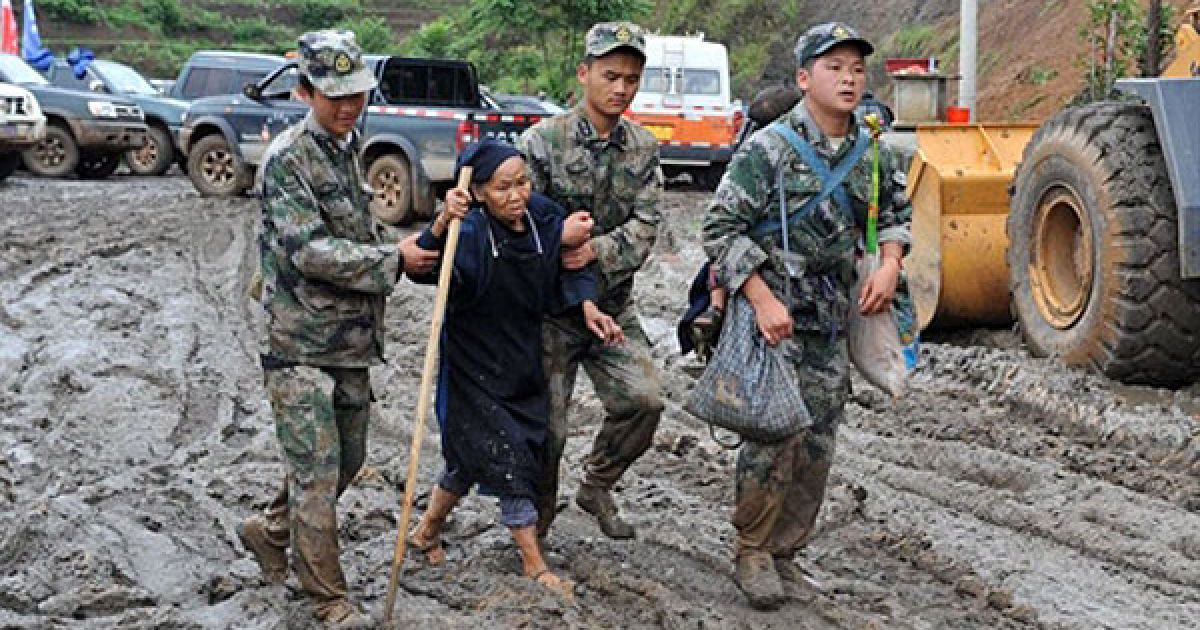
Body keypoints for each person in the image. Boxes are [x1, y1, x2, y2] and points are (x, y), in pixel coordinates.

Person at [702, 22, 912, 610]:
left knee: (817, 443)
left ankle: (787, 551)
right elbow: (718, 230)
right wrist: (760, 299)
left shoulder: (872, 151)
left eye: (856, 69)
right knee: (772, 436)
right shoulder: (768, 150)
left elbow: (895, 214)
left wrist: (890, 263)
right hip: (774, 317)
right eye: (833, 67)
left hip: (831, 317)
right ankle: (752, 550)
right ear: (803, 78)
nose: (848, 79)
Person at [236, 30, 437, 628]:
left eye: (357, 94)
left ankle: (272, 531)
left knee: (347, 461)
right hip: (297, 341)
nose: (349, 106)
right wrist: (393, 259)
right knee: (319, 474)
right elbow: (309, 251)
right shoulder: (287, 160)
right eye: (335, 96)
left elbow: (359, 232)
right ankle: (325, 596)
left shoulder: (348, 149)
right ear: (305, 92)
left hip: (349, 339)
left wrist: (417, 248)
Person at [405, 139, 624, 598]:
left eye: (522, 182)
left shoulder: (543, 217)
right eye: (503, 187)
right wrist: (441, 223)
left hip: (521, 356)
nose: (517, 195)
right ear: (479, 192)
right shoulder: (469, 232)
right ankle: (533, 563)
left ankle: (426, 532)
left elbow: (572, 262)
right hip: (474, 363)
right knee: (510, 458)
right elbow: (425, 266)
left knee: (470, 459)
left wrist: (586, 303)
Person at [517, 21, 665, 540]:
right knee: (548, 432)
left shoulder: (644, 149)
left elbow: (646, 226)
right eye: (610, 76)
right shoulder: (541, 143)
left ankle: (598, 483)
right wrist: (558, 243)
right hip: (551, 314)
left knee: (645, 400)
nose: (621, 88)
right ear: (584, 74)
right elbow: (517, 223)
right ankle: (536, 527)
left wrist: (593, 251)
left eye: (631, 78)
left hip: (613, 307)